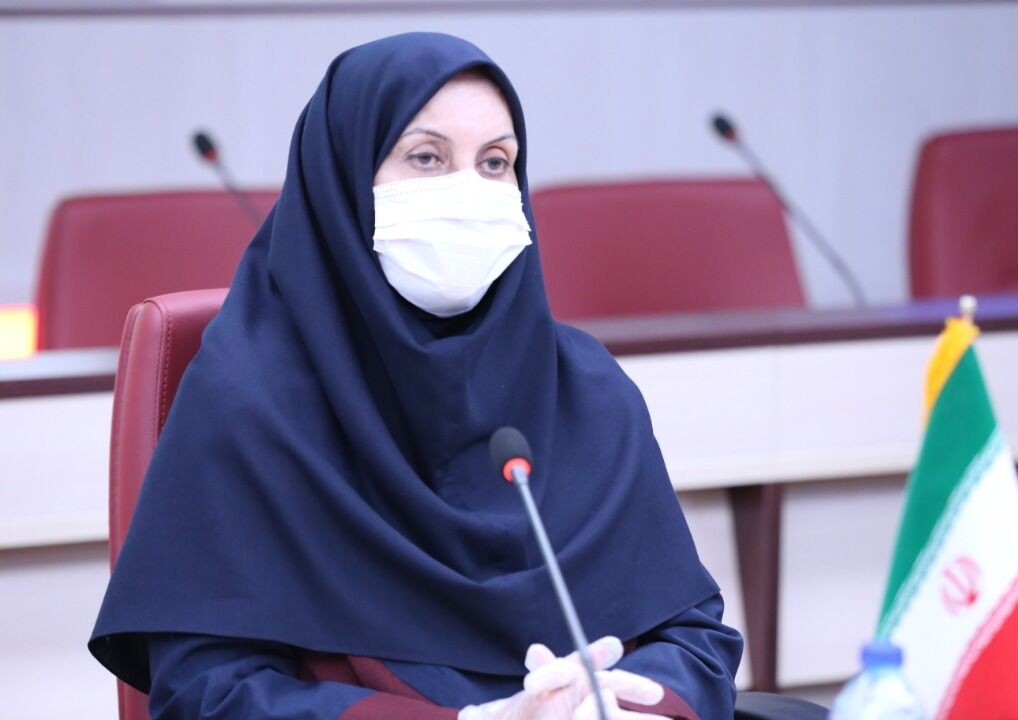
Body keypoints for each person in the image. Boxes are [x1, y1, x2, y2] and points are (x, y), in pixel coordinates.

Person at [90, 32, 743, 719]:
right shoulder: (248, 401)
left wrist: (630, 701)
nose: (468, 191)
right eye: (427, 157)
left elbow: (693, 639)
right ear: (343, 179)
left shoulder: (586, 391)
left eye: (495, 162)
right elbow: (208, 694)